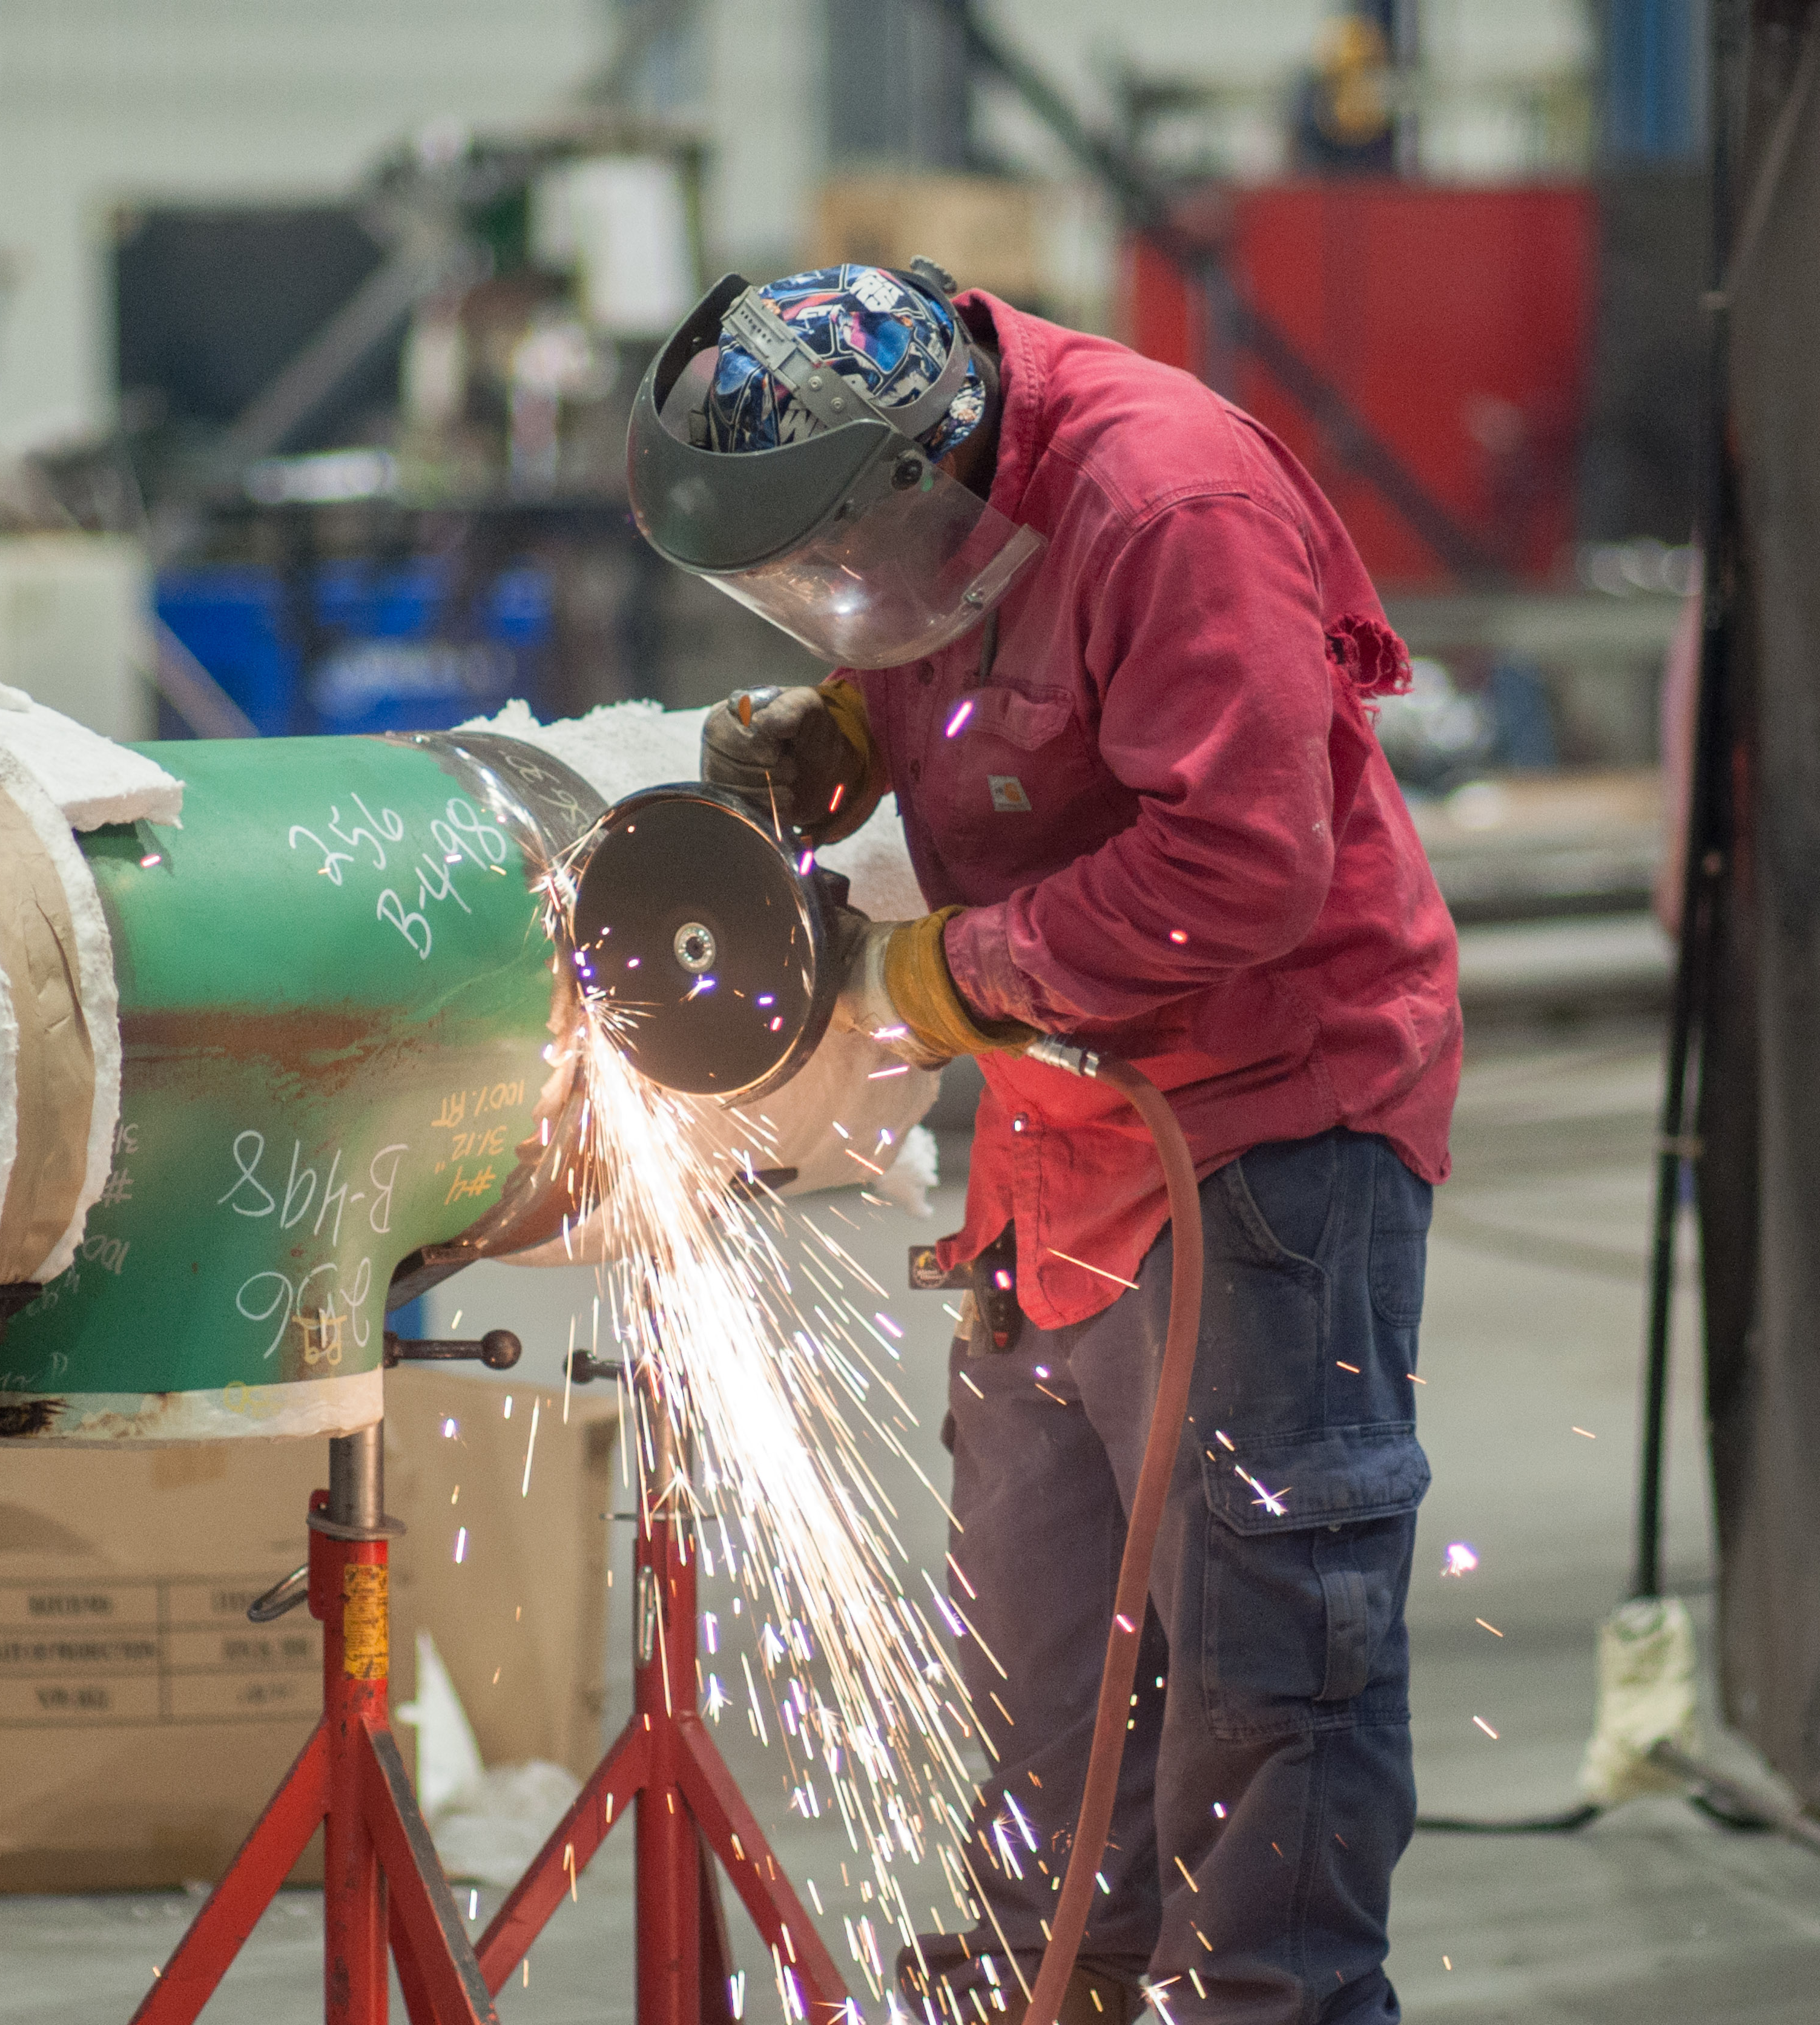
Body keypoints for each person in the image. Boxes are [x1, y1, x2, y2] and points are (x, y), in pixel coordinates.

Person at [623, 263, 1459, 2023]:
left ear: (935, 477)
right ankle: (1052, 1986)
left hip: (1260, 1121)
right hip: (1058, 1123)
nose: (829, 608)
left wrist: (951, 972)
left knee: (1259, 1649)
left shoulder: (1171, 503)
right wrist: (849, 722)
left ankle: (1269, 2007)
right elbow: (964, 661)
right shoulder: (916, 503)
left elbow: (1244, 862)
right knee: (1039, 1638)